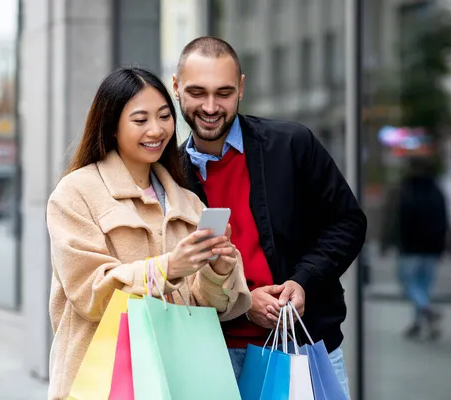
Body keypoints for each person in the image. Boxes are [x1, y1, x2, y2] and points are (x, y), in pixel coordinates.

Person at [173, 36, 367, 398]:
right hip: (210, 356)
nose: (211, 106)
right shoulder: (168, 175)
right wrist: (244, 302)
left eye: (224, 92)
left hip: (304, 347)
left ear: (242, 88)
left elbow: (348, 222)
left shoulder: (293, 144)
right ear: (176, 87)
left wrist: (304, 280)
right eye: (197, 92)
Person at [45, 67, 252, 400]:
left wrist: (219, 268)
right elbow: (90, 292)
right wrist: (167, 268)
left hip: (177, 379)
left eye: (165, 116)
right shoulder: (75, 194)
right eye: (140, 120)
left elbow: (208, 307)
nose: (156, 130)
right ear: (111, 126)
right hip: (102, 381)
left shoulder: (188, 202)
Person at [395, 157, 447, 340]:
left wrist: (398, 243)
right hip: (432, 248)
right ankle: (420, 323)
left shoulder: (408, 191)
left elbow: (402, 219)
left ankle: (427, 311)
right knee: (423, 287)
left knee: (409, 284)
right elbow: (443, 220)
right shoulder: (436, 192)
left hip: (412, 248)